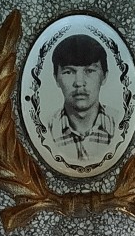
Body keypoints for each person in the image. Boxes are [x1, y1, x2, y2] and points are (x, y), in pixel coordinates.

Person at [49, 34, 117, 172]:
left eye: (90, 71)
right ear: (56, 78)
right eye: (69, 72)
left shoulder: (120, 125)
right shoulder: (45, 130)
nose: (79, 82)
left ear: (104, 76)